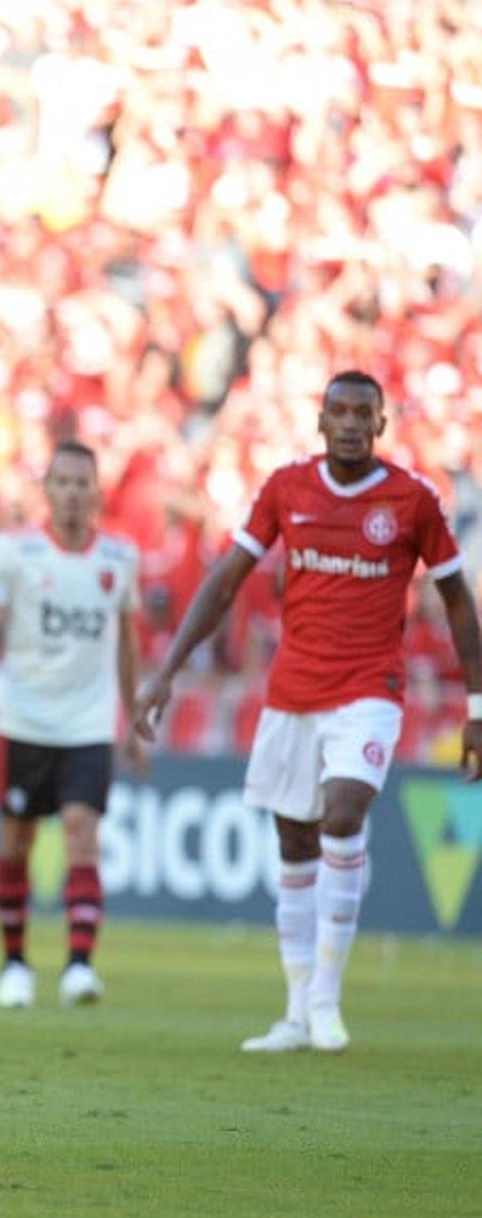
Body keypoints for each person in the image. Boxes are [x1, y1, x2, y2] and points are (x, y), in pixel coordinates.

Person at [135, 370, 482, 1053]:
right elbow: (225, 580)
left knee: (344, 812)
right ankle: (294, 1012)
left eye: (365, 413)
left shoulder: (412, 501)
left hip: (369, 691)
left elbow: (458, 603)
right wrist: (167, 670)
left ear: (381, 426)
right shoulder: (286, 489)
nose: (351, 423)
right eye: (340, 411)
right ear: (320, 421)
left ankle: (327, 1000)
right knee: (294, 846)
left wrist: (477, 705)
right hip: (292, 692)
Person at [0, 441, 145, 1011]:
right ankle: (14, 965)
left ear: (98, 492)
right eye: (62, 482)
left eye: (83, 483)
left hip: (88, 726)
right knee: (18, 839)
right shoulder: (13, 551)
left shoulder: (120, 558)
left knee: (82, 831)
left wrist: (132, 719)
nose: (73, 493)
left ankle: (80, 967)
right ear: (47, 490)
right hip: (24, 722)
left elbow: (128, 644)